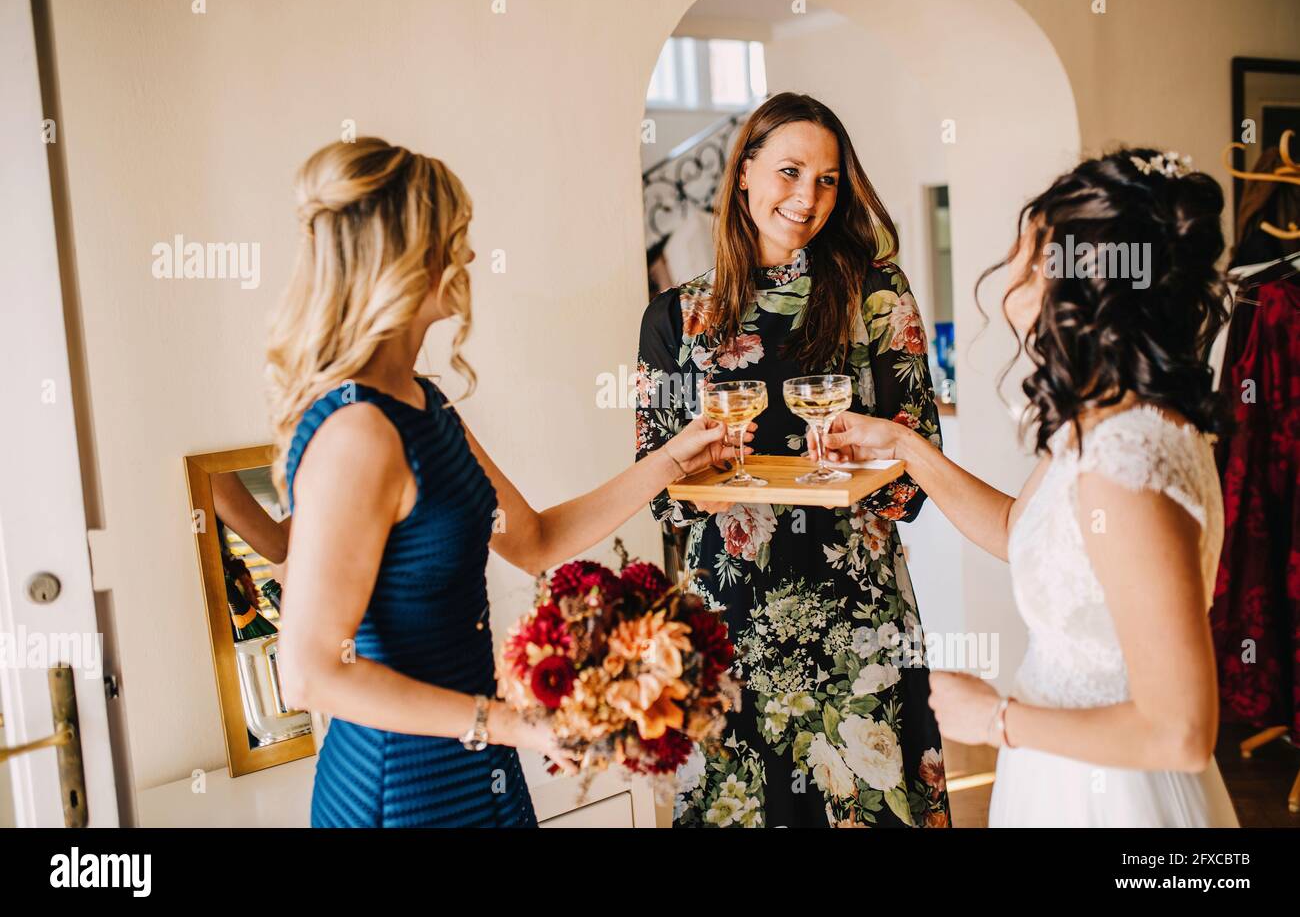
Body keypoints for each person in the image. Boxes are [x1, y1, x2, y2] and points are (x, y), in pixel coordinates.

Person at [269, 137, 748, 827]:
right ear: (403, 255)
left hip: (477, 763)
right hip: (400, 787)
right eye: (453, 236)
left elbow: (533, 539)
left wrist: (672, 461)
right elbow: (310, 673)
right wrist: (515, 725)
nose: (467, 254)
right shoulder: (358, 433)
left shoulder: (426, 405)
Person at [821, 148, 1241, 826]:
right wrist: (905, 447)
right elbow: (1026, 532)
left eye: (1030, 240)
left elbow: (1182, 732)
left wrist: (995, 720)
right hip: (1061, 771)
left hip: (1117, 795)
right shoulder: (1105, 420)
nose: (1011, 257)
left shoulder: (1123, 464)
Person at [637, 93, 951, 827]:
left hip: (858, 613)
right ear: (743, 173)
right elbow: (660, 493)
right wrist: (704, 467)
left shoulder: (878, 293)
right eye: (788, 171)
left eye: (828, 179)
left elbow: (917, 476)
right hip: (728, 616)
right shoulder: (676, 316)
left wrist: (865, 456)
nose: (807, 197)